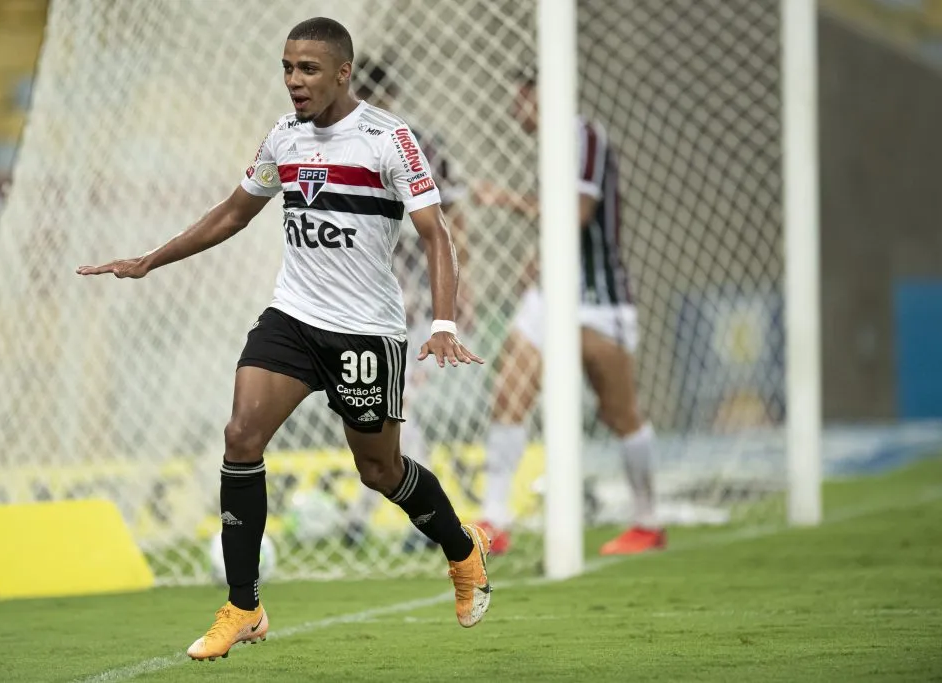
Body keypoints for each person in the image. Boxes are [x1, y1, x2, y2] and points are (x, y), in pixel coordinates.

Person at [77, 17, 492, 661]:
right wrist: (148, 259)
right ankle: (244, 605)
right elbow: (233, 213)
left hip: (364, 330)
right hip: (292, 318)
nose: (295, 82)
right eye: (288, 68)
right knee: (241, 435)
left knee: (379, 470)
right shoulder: (284, 135)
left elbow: (436, 235)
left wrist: (443, 323)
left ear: (342, 72)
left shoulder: (389, 139)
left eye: (308, 70)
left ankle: (461, 549)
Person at [472, 73, 665, 557]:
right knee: (510, 387)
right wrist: (537, 263)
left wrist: (505, 199)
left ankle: (647, 520)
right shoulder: (552, 148)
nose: (517, 110)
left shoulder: (586, 137)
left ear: (545, 97)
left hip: (598, 298)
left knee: (618, 410)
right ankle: (495, 518)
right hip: (550, 293)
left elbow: (576, 214)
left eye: (523, 98)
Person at [344, 56, 471, 551]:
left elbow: (451, 225)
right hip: (365, 306)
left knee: (400, 408)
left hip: (415, 307)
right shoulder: (326, 141)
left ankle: (411, 524)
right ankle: (364, 516)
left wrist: (457, 302)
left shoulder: (413, 144)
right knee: (379, 411)